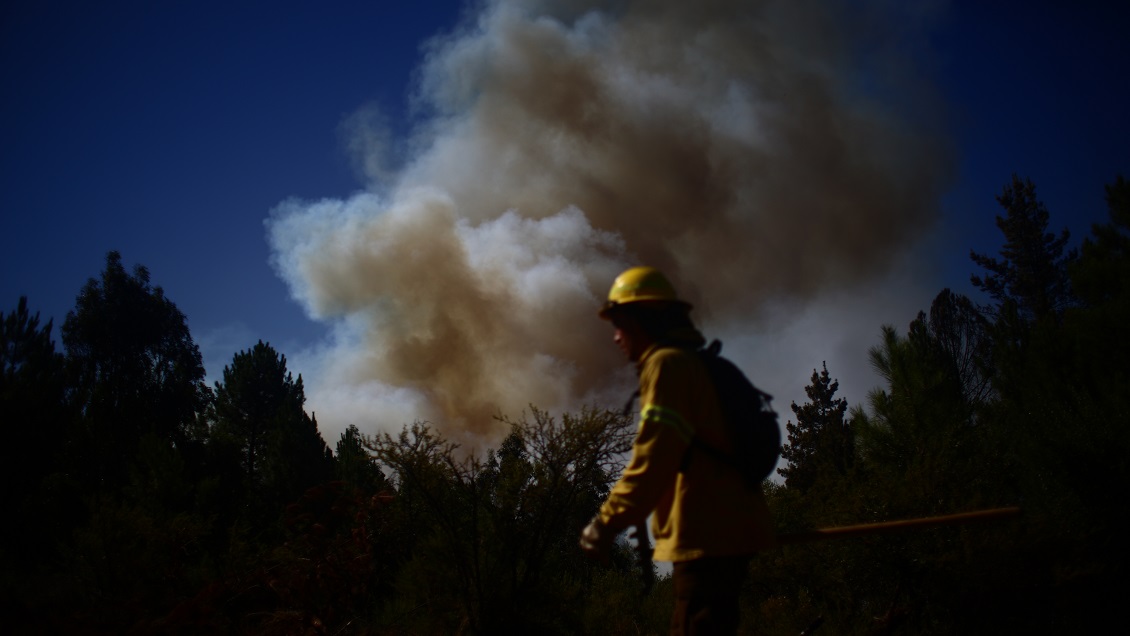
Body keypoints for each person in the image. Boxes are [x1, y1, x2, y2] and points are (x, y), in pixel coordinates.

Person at [580, 266, 777, 636]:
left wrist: (607, 522)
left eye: (618, 324)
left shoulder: (666, 365)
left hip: (708, 537)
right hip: (726, 530)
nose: (615, 337)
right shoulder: (693, 364)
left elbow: (653, 459)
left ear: (638, 321)